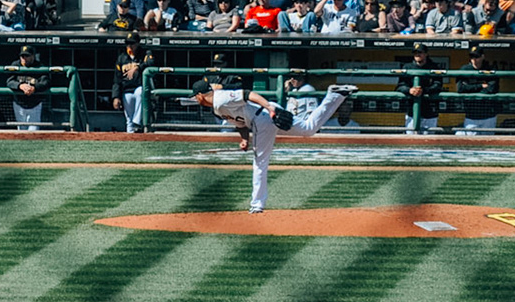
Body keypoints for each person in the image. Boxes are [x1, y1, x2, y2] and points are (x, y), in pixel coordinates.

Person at [190, 78, 357, 213]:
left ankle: (256, 205)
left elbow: (249, 94)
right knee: (309, 129)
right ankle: (335, 95)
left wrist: (269, 108)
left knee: (260, 163)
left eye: (195, 98)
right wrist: (245, 139)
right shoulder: (215, 108)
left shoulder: (220, 98)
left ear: (200, 96)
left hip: (263, 117)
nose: (195, 101)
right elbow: (240, 123)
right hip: (263, 118)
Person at [398, 43, 444, 134]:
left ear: (426, 54)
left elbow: (438, 85)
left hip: (430, 110)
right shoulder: (407, 67)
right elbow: (400, 86)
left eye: (420, 52)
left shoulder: (434, 67)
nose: (417, 55)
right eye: (415, 53)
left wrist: (424, 90)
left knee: (429, 141)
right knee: (410, 139)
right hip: (412, 109)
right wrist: (410, 90)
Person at [8, 46, 49, 132]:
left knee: (34, 131)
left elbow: (46, 82)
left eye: (27, 56)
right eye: (23, 56)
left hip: (35, 104)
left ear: (33, 56)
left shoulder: (40, 66)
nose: (24, 58)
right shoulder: (15, 65)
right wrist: (20, 85)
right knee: (21, 131)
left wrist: (35, 88)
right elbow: (9, 81)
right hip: (19, 104)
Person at [113, 35, 149, 132]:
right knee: (129, 119)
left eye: (132, 43)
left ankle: (137, 122)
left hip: (138, 86)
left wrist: (138, 67)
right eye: (127, 43)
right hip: (126, 89)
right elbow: (117, 79)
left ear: (137, 43)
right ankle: (130, 136)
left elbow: (151, 62)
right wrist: (116, 97)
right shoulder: (122, 58)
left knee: (140, 92)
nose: (129, 46)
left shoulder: (144, 54)